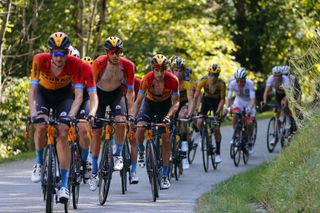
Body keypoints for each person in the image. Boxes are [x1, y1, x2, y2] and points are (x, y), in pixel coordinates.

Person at [28, 32, 89, 202]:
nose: (59, 57)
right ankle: (39, 164)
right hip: (44, 95)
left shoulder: (75, 63)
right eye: (55, 53)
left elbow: (78, 96)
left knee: (63, 132)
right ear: (50, 52)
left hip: (64, 97)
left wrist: (70, 116)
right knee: (40, 126)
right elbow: (32, 91)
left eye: (63, 53)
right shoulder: (39, 60)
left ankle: (63, 185)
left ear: (68, 53)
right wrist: (34, 114)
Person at [89, 36, 135, 191]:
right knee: (96, 132)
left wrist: (132, 113)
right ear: (107, 52)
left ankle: (118, 154)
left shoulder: (128, 66)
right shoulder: (98, 63)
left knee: (121, 122)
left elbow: (130, 92)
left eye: (118, 52)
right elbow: (92, 88)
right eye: (112, 52)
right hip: (99, 96)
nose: (115, 55)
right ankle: (94, 171)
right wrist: (93, 111)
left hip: (116, 96)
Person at [133, 54, 179, 189]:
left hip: (165, 106)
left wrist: (169, 116)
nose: (159, 73)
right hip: (149, 104)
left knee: (165, 138)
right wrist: (132, 116)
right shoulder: (147, 79)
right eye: (157, 70)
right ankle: (141, 150)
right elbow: (138, 101)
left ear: (167, 69)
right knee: (140, 128)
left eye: (162, 69)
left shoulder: (173, 80)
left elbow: (176, 103)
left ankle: (164, 175)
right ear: (153, 69)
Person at [189, 64, 226, 163]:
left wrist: (218, 112)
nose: (213, 77)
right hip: (206, 101)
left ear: (218, 75)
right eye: (211, 75)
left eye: (215, 75)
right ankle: (203, 137)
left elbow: (222, 100)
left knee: (216, 128)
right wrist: (192, 112)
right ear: (208, 74)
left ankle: (217, 153)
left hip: (216, 103)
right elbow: (196, 97)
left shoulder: (221, 84)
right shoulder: (203, 81)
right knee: (199, 122)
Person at [170, 56, 196, 169]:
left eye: (180, 70)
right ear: (171, 70)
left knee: (182, 116)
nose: (178, 73)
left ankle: (184, 150)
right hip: (172, 104)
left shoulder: (186, 84)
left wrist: (190, 113)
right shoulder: (168, 81)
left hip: (183, 104)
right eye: (176, 70)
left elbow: (191, 100)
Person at [227, 67, 256, 154]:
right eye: (238, 81)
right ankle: (236, 134)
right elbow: (228, 97)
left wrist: (250, 108)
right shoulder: (232, 83)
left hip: (249, 103)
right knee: (235, 115)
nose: (240, 83)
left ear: (245, 79)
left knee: (249, 123)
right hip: (238, 102)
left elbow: (253, 99)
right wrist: (228, 107)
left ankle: (250, 141)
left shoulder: (250, 83)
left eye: (242, 81)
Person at [78, 56, 98, 179]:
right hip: (74, 101)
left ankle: (85, 160)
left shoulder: (93, 79)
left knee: (84, 127)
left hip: (86, 101)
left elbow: (95, 98)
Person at [262, 66, 291, 142]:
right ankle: (275, 135)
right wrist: (264, 101)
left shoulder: (286, 79)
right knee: (276, 111)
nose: (277, 77)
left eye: (279, 76)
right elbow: (266, 91)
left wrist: (285, 100)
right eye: (275, 75)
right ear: (273, 75)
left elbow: (288, 94)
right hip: (278, 94)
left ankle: (288, 123)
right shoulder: (270, 79)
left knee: (285, 106)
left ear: (282, 75)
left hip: (286, 94)